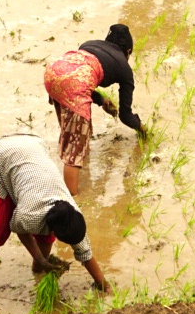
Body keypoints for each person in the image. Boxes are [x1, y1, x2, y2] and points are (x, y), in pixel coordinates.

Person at [0, 133, 109, 292]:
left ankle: (37, 272)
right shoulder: (29, 215)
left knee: (45, 235)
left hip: (31, 150)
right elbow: (19, 228)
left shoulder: (72, 213)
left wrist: (104, 285)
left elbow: (85, 252)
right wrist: (40, 258)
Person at [43, 23, 144, 195]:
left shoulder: (89, 45)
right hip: (74, 85)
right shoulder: (124, 68)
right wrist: (142, 129)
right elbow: (125, 116)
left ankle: (84, 163)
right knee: (74, 152)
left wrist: (102, 100)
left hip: (53, 73)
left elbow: (80, 73)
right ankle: (74, 200)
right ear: (128, 52)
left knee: (76, 132)